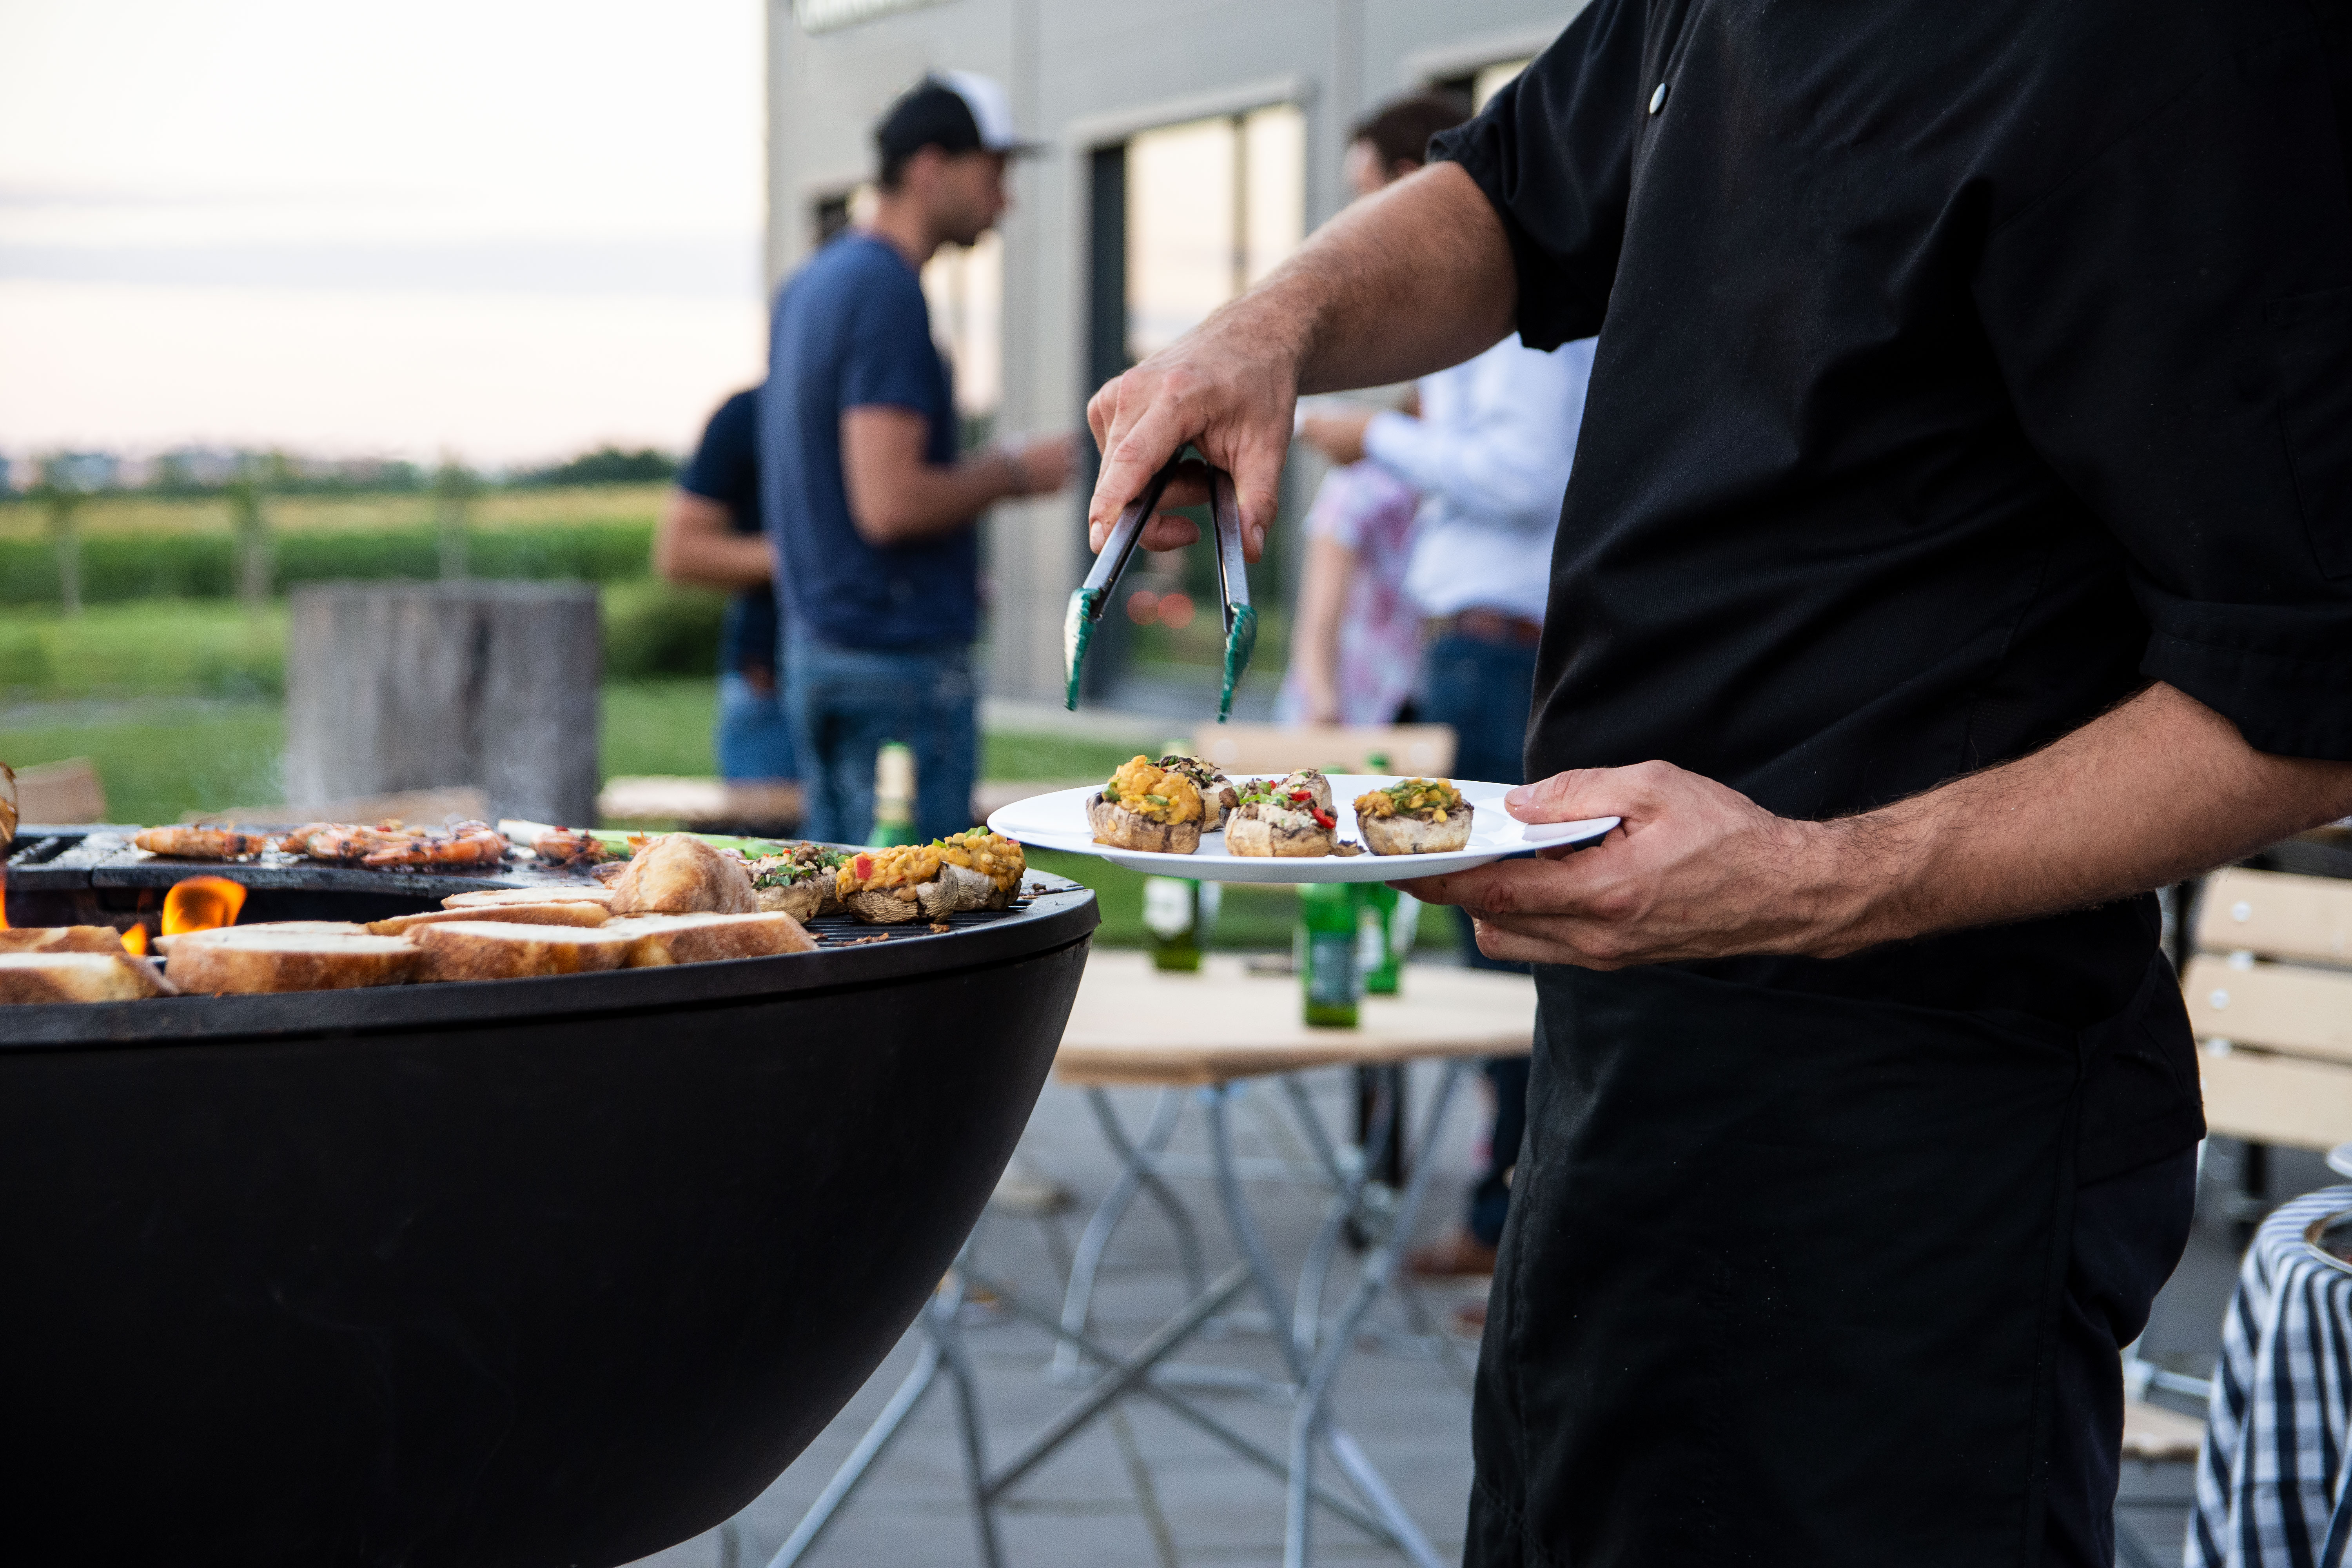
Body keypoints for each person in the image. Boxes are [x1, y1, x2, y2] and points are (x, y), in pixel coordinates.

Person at [1080, 3, 2352, 1563]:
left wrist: (1812, 881)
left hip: (1916, 1138)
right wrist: (1262, 333)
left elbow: (2299, 704)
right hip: (1625, 1069)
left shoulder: (2196, 54)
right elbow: (1506, 197)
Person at [1294, 91, 1596, 1286]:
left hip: (1500, 646)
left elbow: (1526, 474)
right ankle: (1500, 1209)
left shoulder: (1515, 312)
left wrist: (1375, 443)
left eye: (1369, 188)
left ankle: (1509, 1222)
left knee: (1504, 941)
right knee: (1483, 939)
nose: (1355, 219)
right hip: (1473, 646)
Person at [761, 71, 1072, 844]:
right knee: (913, 920)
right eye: (995, 173)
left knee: (833, 915)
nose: (1007, 201)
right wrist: (1013, 471)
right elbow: (889, 500)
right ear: (933, 168)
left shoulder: (812, 284)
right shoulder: (886, 290)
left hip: (820, 647)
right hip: (894, 669)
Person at [653, 385, 799, 790]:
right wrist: (817, 558)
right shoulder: (751, 412)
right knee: (767, 848)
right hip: (770, 690)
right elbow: (679, 553)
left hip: (899, 692)